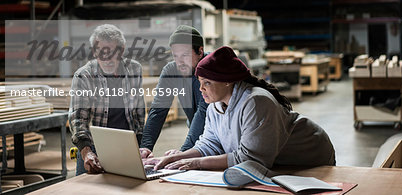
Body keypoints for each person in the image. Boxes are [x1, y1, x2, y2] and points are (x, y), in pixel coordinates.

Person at [144, 46, 335, 171]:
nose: (201, 89)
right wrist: (176, 157)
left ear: (228, 81)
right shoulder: (215, 106)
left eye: (207, 83)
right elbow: (209, 144)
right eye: (200, 82)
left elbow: (250, 159)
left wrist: (195, 163)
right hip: (278, 163)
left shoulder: (256, 102)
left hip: (311, 159)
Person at [69, 24, 145, 175]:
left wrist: (142, 145)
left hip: (128, 145)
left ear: (122, 50)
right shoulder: (84, 75)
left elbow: (139, 111)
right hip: (94, 147)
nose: (107, 59)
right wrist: (86, 152)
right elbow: (78, 119)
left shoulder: (134, 69)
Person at [140, 25, 208, 158]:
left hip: (221, 136)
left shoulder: (210, 67)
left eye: (185, 55)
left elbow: (203, 111)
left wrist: (183, 152)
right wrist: (145, 147)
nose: (179, 62)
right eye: (175, 56)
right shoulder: (171, 70)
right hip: (196, 132)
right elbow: (158, 110)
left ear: (200, 52)